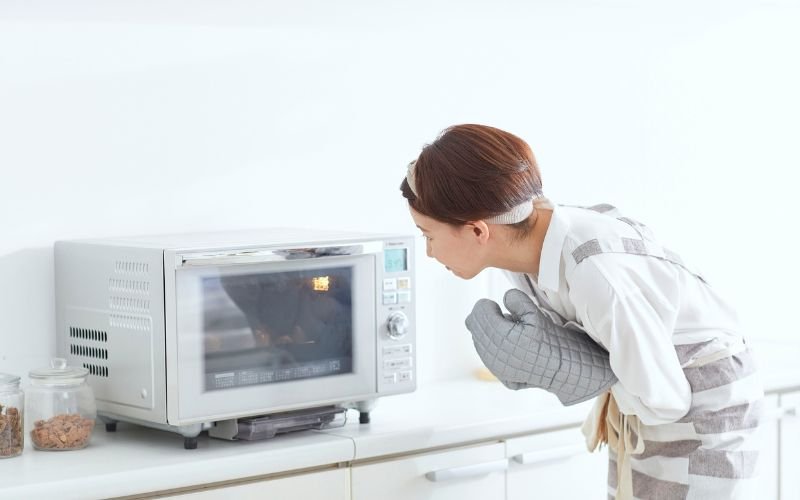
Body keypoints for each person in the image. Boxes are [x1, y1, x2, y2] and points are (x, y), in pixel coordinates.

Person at [399, 124, 764, 499]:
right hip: (648, 402)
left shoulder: (594, 274)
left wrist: (571, 369)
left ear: (478, 231)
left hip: (706, 405)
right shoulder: (524, 251)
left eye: (428, 235)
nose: (429, 252)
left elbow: (666, 400)